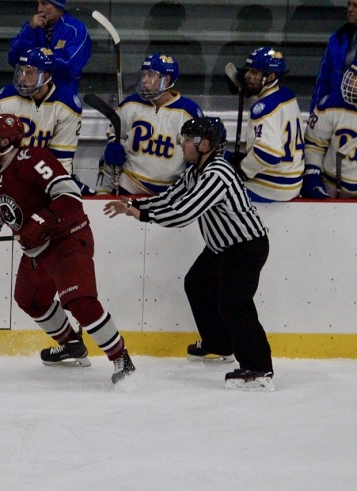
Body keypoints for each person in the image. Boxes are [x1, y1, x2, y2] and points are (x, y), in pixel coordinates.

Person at [0, 113, 135, 383]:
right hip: (36, 251)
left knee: (80, 301)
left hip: (67, 240)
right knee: (31, 300)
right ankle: (72, 345)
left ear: (7, 141)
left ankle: (122, 359)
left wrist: (41, 220)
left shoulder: (33, 159)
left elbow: (69, 196)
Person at [104, 117, 274, 391]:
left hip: (245, 248)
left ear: (204, 144)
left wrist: (142, 215)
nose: (181, 144)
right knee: (197, 283)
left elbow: (184, 213)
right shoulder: (196, 171)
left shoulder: (217, 174)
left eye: (187, 139)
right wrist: (134, 203)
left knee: (235, 304)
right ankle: (219, 344)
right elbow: (172, 198)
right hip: (221, 247)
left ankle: (259, 369)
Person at [96, 54, 204, 195]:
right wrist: (113, 146)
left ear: (166, 80)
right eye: (143, 75)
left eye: (151, 75)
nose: (144, 80)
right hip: (128, 187)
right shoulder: (130, 104)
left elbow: (199, 151)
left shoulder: (189, 112)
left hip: (169, 195)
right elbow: (116, 134)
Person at [0, 47, 91, 192]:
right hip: (8, 174)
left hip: (45, 176)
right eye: (21, 71)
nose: (22, 78)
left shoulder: (66, 104)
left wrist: (57, 186)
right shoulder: (4, 99)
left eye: (29, 73)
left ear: (46, 76)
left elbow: (61, 159)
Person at [228, 47, 305, 203]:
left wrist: (243, 170)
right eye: (248, 71)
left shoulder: (263, 108)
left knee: (216, 193)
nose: (247, 76)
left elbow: (268, 155)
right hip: (291, 179)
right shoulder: (286, 94)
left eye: (254, 73)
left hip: (271, 186)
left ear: (270, 76)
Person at [7, 0, 91, 95]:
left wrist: (40, 60)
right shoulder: (31, 26)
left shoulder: (76, 29)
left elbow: (71, 66)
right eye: (38, 4)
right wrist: (29, 30)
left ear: (58, 5)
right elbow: (13, 59)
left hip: (62, 96)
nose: (39, 9)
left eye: (44, 3)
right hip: (29, 94)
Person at [302, 60, 357, 198]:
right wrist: (312, 170)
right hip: (333, 188)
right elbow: (314, 144)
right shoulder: (330, 104)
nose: (352, 84)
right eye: (353, 77)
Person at [308, 0, 357, 113]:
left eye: (355, 6)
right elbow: (323, 82)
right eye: (349, 5)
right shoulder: (336, 39)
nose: (350, 9)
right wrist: (314, 114)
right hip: (336, 112)